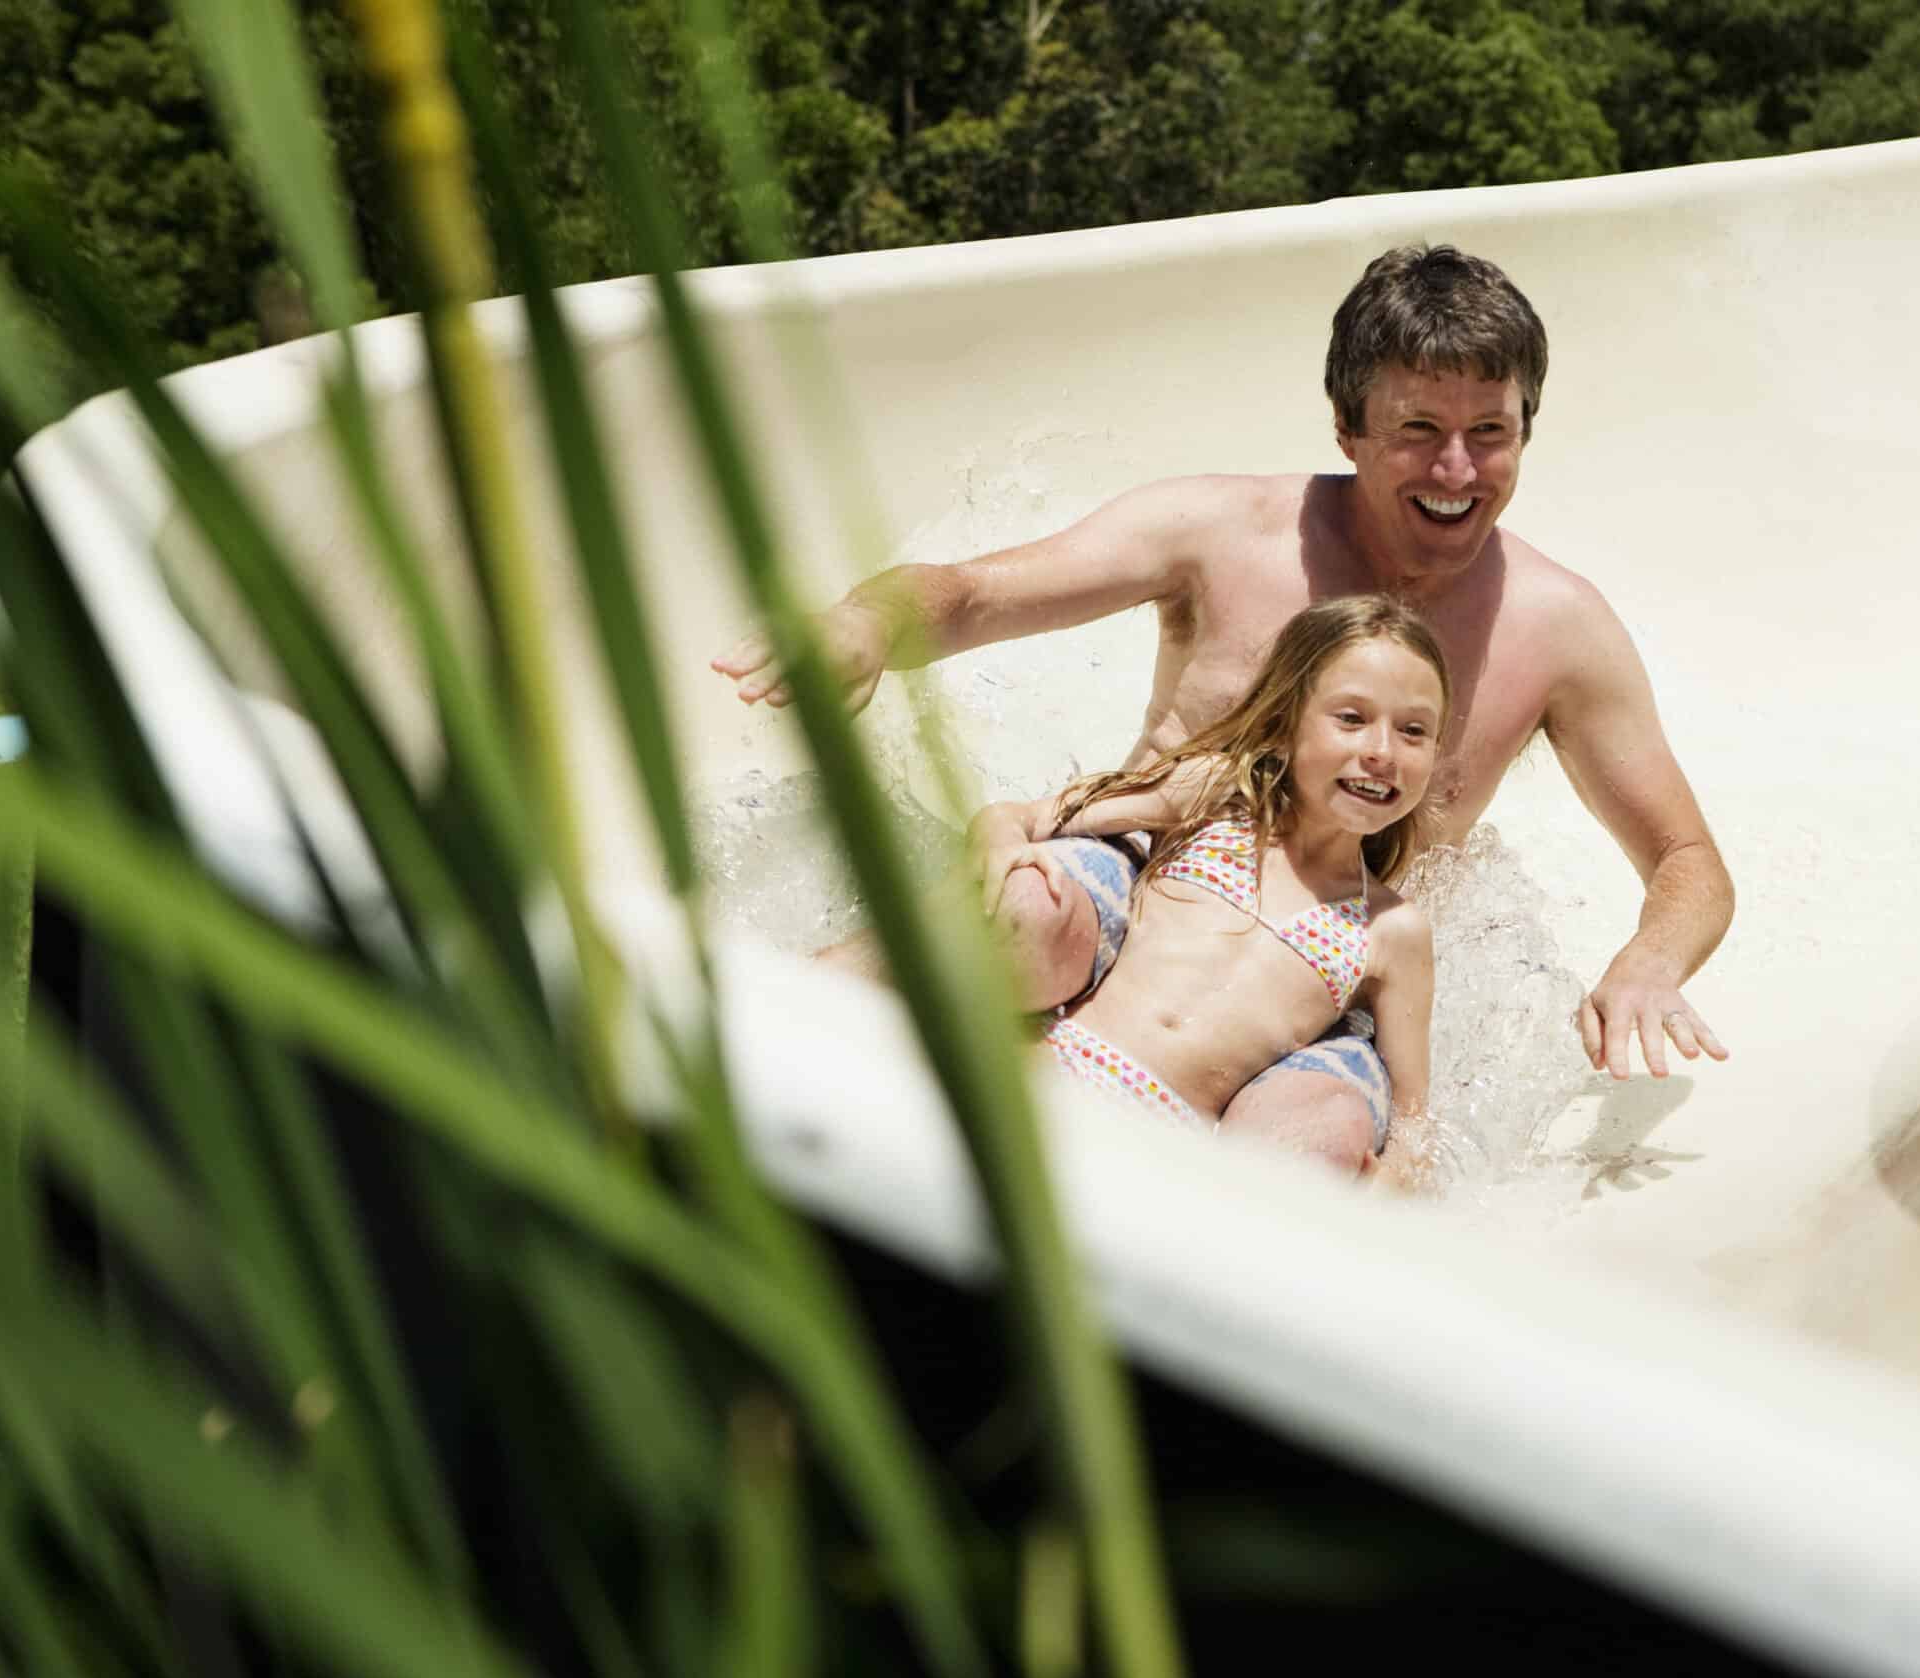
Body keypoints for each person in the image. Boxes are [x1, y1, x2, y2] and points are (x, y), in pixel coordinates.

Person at [714, 242, 1734, 1163]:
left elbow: (1687, 861)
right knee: (1023, 916)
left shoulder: (1557, 628)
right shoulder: (1217, 532)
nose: (1457, 471)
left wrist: (1647, 965)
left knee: (1318, 1138)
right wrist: (861, 622)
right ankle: (759, 1039)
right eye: (1418, 429)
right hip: (1139, 880)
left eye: (1490, 433)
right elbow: (974, 593)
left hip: (1313, 970)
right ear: (1347, 426)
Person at [975, 596, 1441, 1173]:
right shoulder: (1215, 802)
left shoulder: (1393, 930)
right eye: (1351, 718)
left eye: (1414, 731)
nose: (1381, 752)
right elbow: (1020, 817)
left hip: (1164, 1140)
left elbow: (1414, 1114)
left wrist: (1398, 1178)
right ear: (1286, 722)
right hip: (1048, 1064)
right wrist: (1001, 851)